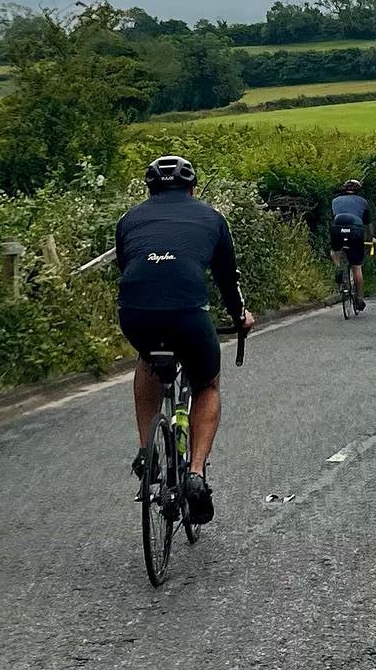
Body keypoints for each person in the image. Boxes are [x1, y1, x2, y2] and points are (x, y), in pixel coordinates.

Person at [116, 155, 254, 525]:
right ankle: (195, 473)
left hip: (135, 312)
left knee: (147, 358)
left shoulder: (129, 219)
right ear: (192, 188)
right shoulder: (211, 217)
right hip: (187, 313)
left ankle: (148, 450)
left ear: (149, 189)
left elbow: (126, 266)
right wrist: (240, 317)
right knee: (207, 384)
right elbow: (228, 279)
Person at [329, 178, 372, 312]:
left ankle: (338, 268)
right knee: (357, 267)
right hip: (356, 230)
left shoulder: (335, 201)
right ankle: (359, 298)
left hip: (338, 228)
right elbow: (367, 225)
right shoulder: (363, 202)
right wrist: (369, 240)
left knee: (334, 251)